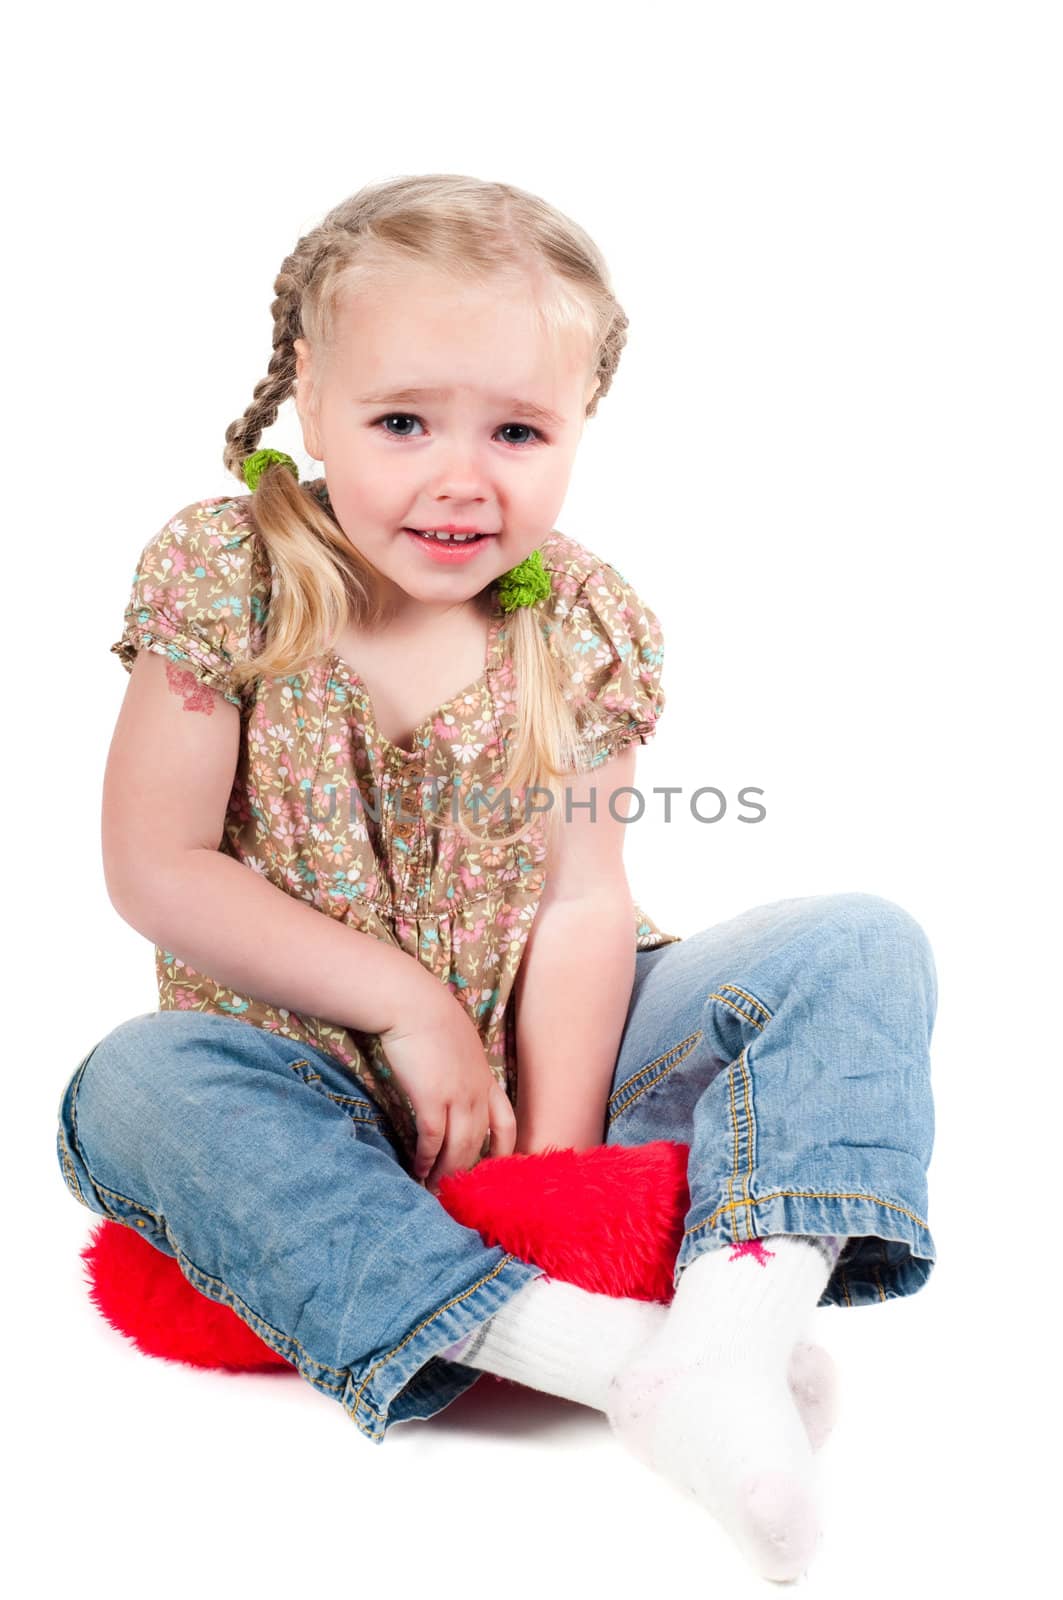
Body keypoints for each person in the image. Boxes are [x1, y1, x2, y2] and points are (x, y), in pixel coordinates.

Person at [54, 173, 938, 1582]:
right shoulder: (227, 572)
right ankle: (613, 1355)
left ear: (578, 428)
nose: (463, 477)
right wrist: (405, 1004)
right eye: (403, 423)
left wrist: (561, 1157)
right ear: (309, 408)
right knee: (131, 1087)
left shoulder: (584, 622)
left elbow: (587, 904)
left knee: (859, 943)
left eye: (518, 430)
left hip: (551, 1045)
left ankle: (735, 1324)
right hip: (306, 1068)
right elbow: (155, 866)